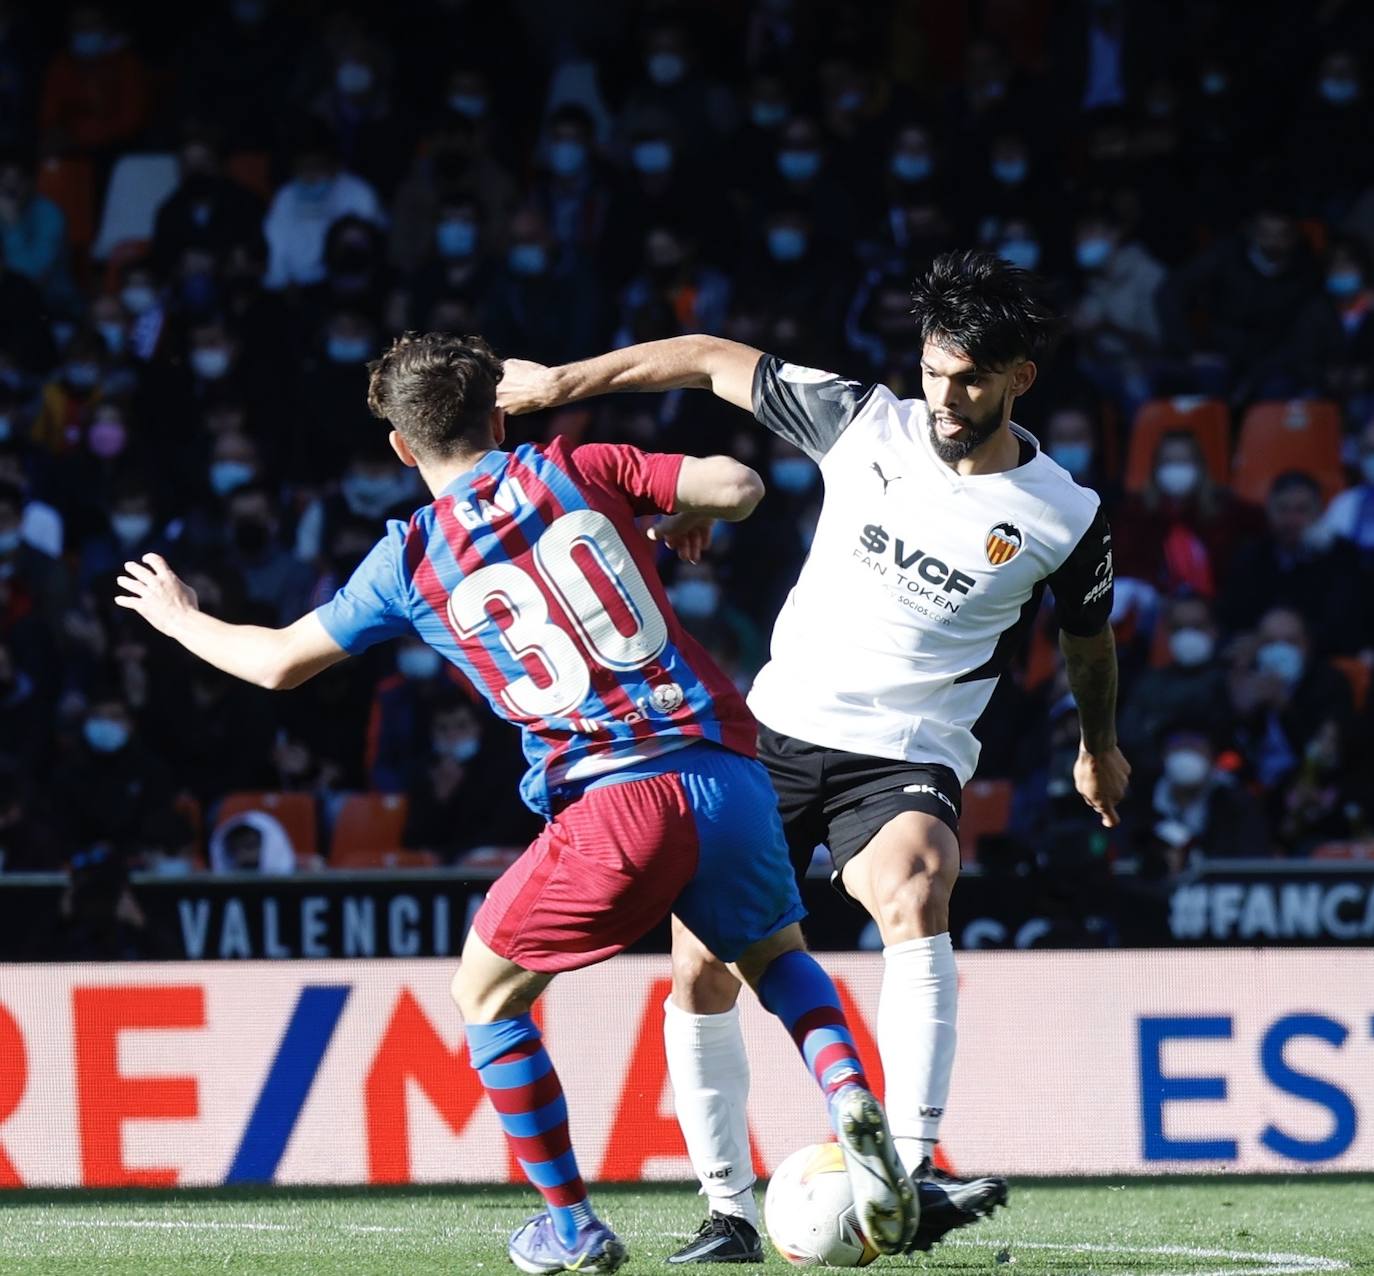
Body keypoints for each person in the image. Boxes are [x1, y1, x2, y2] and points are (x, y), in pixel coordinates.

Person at [114, 331, 922, 1274]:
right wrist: (663, 518)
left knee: (486, 993)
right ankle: (849, 1097)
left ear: (403, 451)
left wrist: (179, 616)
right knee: (777, 959)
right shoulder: (581, 465)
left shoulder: (409, 559)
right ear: (501, 415)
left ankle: (571, 1227)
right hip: (724, 767)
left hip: (615, 801)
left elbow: (279, 662)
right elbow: (741, 487)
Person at [496, 251, 1128, 1262]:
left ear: (1021, 378)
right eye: (934, 369)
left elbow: (1091, 642)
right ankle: (727, 1210)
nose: (946, 395)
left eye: (971, 377)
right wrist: (558, 385)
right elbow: (707, 357)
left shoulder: (1066, 515)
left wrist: (1099, 746)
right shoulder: (863, 419)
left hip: (906, 752)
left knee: (918, 884)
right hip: (773, 734)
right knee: (701, 965)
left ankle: (912, 1171)